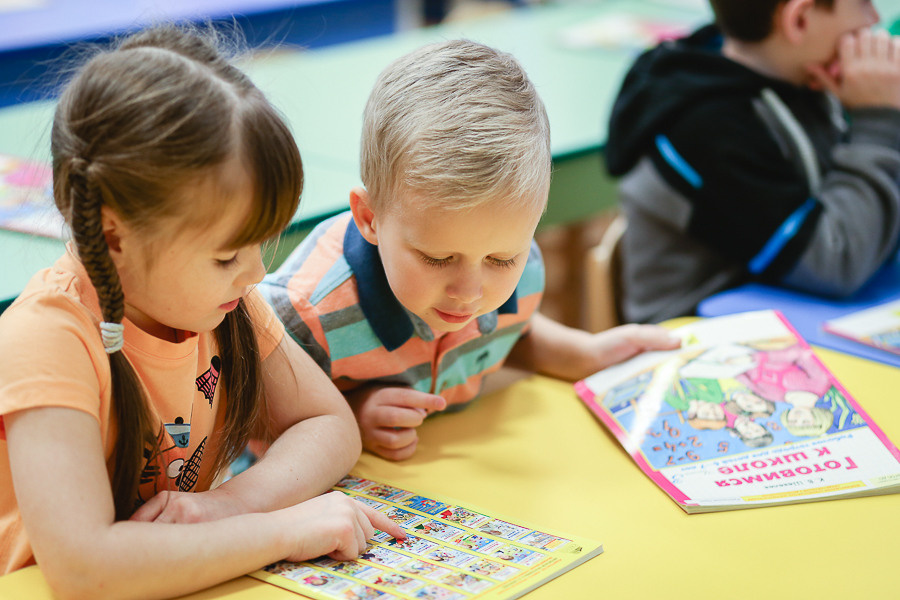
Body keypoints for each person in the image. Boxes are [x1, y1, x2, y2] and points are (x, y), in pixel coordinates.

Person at [0, 25, 403, 597]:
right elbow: (84, 570)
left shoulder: (219, 303)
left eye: (259, 244)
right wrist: (278, 530)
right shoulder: (47, 337)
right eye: (225, 256)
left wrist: (228, 505)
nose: (257, 273)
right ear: (114, 236)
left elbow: (329, 425)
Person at [260, 40, 680, 461]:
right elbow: (247, 421)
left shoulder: (522, 267)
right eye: (438, 258)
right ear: (370, 218)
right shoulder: (303, 316)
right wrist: (345, 418)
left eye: (500, 260)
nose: (469, 292)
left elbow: (503, 332)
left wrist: (585, 354)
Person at [604, 0, 900, 323]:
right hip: (698, 345)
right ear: (799, 19)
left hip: (807, 310)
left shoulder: (802, 73)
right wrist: (879, 118)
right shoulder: (706, 126)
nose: (875, 19)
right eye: (863, 3)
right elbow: (835, 263)